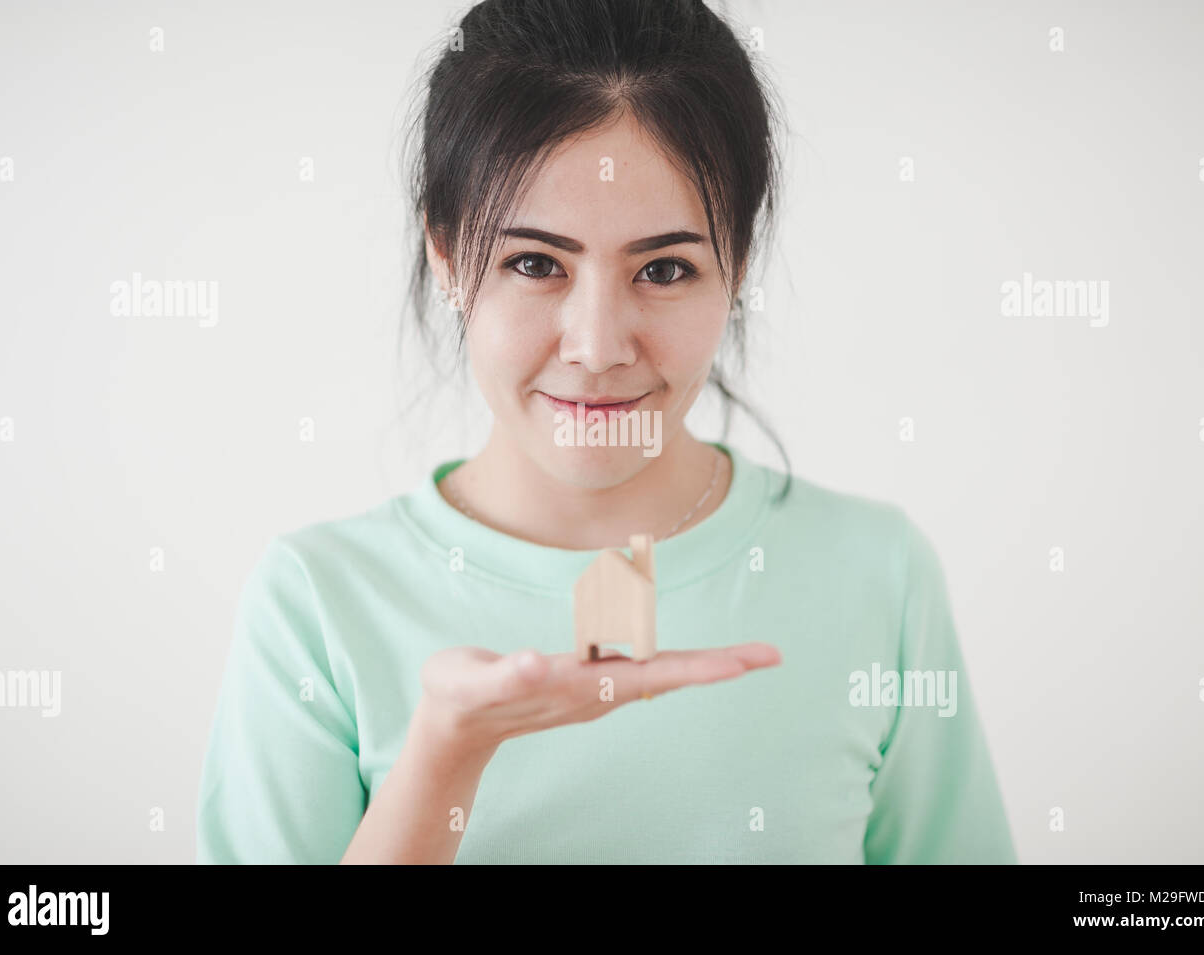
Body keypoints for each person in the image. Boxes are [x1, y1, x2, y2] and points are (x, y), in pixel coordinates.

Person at [195, 0, 1016, 864]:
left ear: (736, 268)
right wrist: (444, 757)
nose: (596, 346)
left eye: (664, 269)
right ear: (446, 257)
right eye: (535, 263)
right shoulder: (316, 606)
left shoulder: (877, 575)